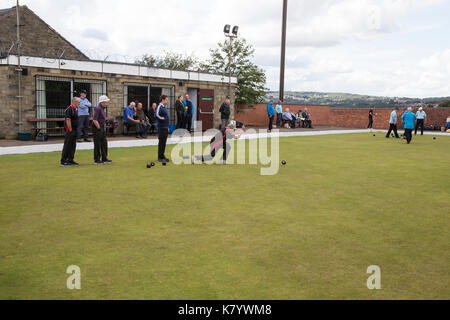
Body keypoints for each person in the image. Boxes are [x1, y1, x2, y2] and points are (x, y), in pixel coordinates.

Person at [60, 97, 80, 166]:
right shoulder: (69, 109)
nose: (79, 103)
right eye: (78, 102)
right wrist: (70, 129)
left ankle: (70, 159)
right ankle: (63, 160)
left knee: (72, 145)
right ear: (74, 102)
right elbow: (68, 120)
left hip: (74, 129)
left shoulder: (75, 109)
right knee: (67, 145)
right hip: (70, 130)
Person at [92, 95, 112, 165]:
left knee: (104, 142)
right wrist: (99, 128)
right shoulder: (98, 108)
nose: (107, 103)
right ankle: (97, 159)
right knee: (97, 143)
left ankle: (104, 158)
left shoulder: (102, 108)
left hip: (101, 126)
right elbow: (95, 120)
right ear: (102, 102)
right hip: (97, 126)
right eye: (106, 101)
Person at [156, 95, 170, 163]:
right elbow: (157, 115)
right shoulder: (159, 106)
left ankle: (162, 155)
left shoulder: (164, 107)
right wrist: (163, 119)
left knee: (164, 142)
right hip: (161, 127)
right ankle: (159, 157)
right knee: (161, 142)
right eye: (166, 99)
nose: (167, 101)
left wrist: (167, 127)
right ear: (163, 100)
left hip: (165, 127)